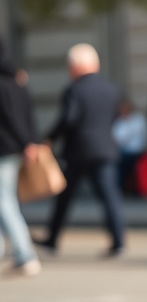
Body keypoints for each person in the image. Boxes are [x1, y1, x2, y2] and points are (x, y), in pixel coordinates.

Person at [36, 44, 125, 257]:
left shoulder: (74, 89)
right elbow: (115, 116)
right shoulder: (111, 88)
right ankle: (118, 240)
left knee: (64, 197)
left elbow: (69, 118)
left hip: (78, 151)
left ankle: (52, 238)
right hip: (104, 149)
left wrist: (49, 138)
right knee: (110, 197)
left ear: (75, 66)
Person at [0, 36, 42, 277]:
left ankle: (24, 254)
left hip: (4, 150)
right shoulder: (17, 82)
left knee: (5, 202)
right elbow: (28, 114)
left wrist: (26, 142)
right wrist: (30, 142)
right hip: (16, 149)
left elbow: (11, 118)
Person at [111, 98, 147, 195]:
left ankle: (136, 188)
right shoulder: (118, 121)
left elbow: (143, 135)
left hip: (137, 151)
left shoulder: (138, 119)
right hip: (123, 151)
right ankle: (121, 188)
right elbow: (118, 138)